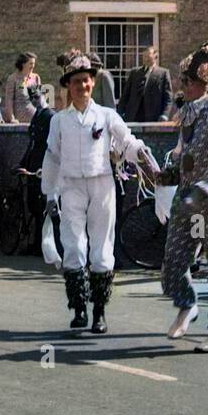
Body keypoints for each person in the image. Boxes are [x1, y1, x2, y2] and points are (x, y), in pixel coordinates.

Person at [41, 53, 153, 334]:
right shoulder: (59, 121)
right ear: (69, 86)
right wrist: (50, 194)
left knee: (102, 248)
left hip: (102, 184)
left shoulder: (106, 115)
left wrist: (141, 154)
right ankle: (79, 308)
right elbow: (52, 157)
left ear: (93, 83)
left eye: (87, 81)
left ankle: (99, 312)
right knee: (74, 246)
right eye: (77, 82)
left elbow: (126, 141)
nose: (83, 86)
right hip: (71, 187)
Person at [160, 41, 208, 352]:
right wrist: (168, 172)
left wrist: (205, 188)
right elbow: (183, 155)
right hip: (190, 200)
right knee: (175, 258)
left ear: (201, 85)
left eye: (187, 83)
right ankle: (186, 303)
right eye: (182, 82)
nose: (183, 88)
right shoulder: (189, 116)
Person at [17, 84, 55, 255]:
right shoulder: (37, 115)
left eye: (37, 97)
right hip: (33, 163)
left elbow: (51, 145)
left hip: (43, 164)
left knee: (41, 205)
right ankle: (36, 242)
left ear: (44, 96)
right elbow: (31, 143)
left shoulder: (50, 116)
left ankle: (42, 244)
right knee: (33, 203)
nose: (35, 101)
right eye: (33, 98)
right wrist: (22, 162)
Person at [121, 46, 172, 123]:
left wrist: (165, 115)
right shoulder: (135, 72)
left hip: (153, 116)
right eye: (143, 56)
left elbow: (168, 97)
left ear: (155, 56)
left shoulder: (163, 73)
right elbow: (125, 95)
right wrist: (120, 112)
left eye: (148, 56)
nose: (145, 58)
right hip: (133, 116)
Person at [2, 53, 41, 124]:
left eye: (34, 64)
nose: (32, 66)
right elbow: (9, 100)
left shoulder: (36, 77)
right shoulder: (13, 78)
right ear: (23, 64)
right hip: (20, 120)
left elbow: (39, 100)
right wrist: (11, 118)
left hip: (35, 118)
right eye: (30, 64)